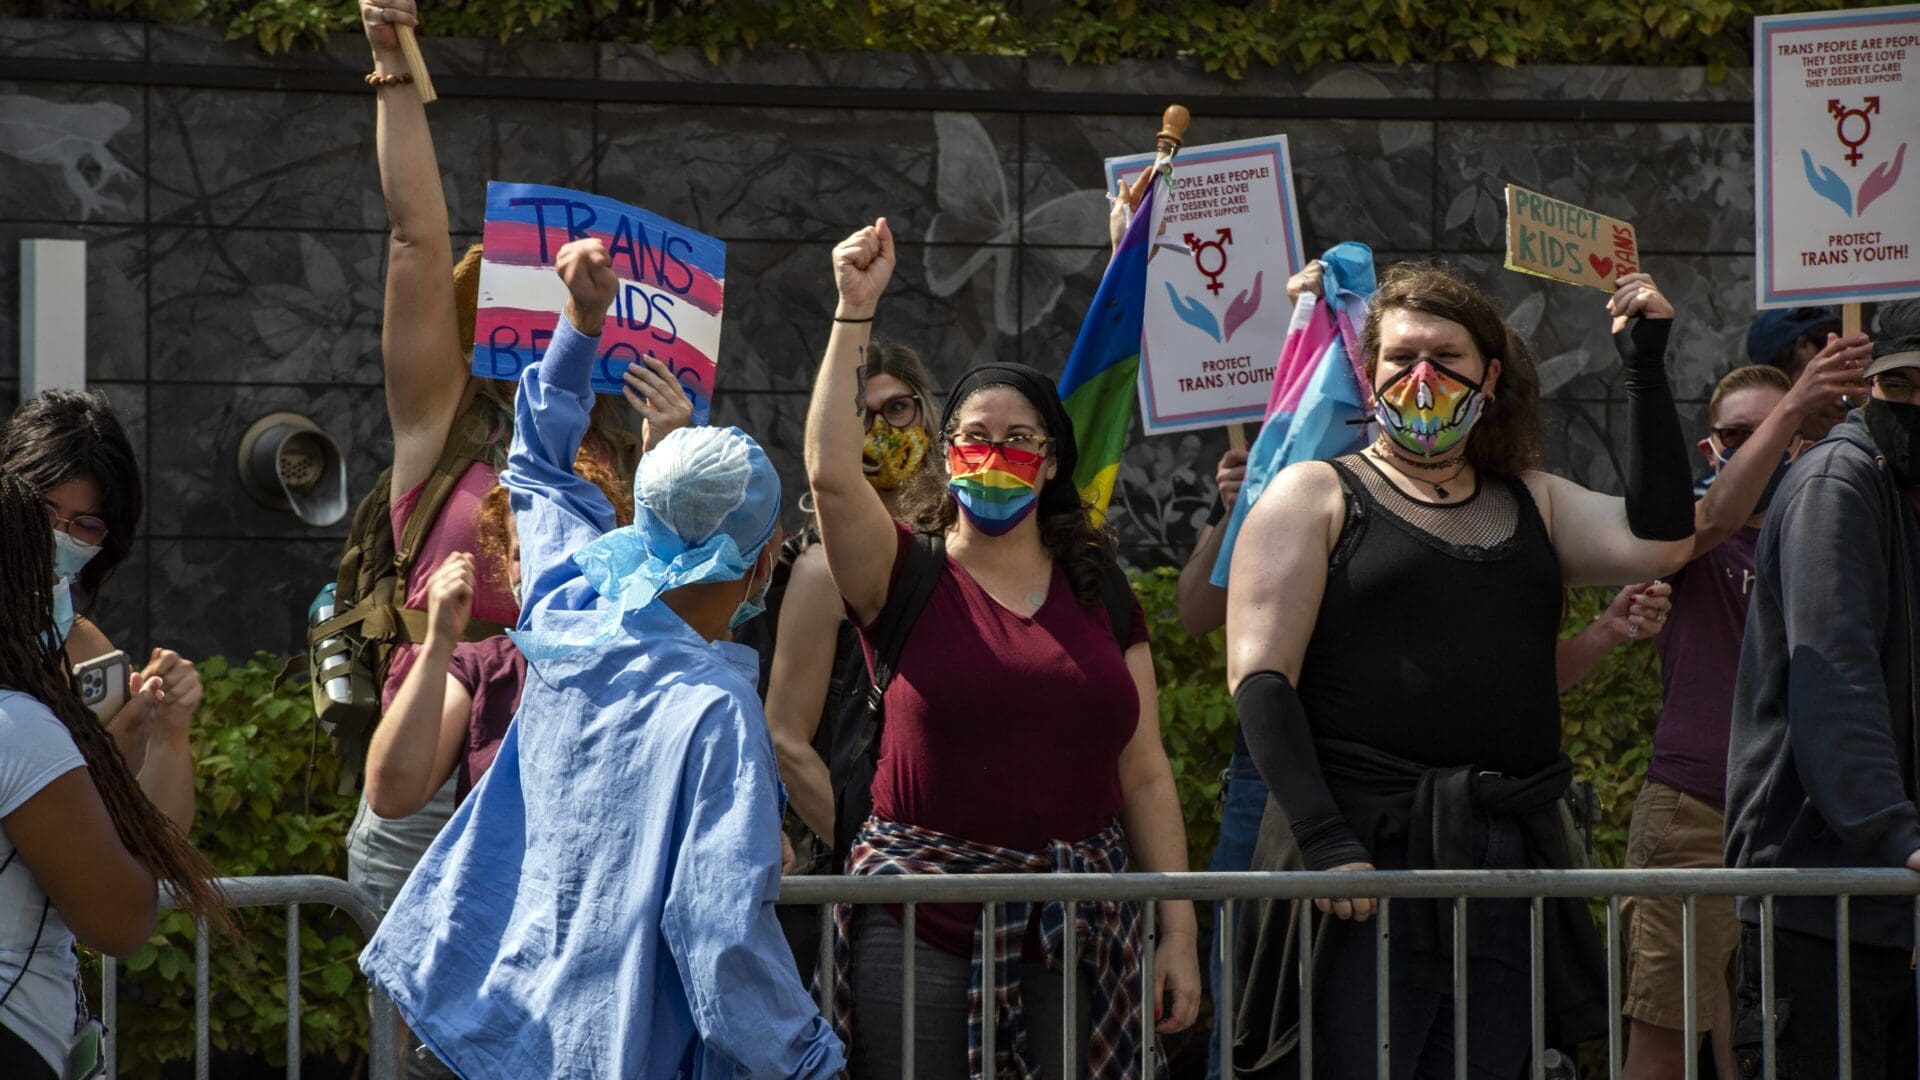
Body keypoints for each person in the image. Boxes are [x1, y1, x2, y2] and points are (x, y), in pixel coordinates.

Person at [360, 237, 842, 1079]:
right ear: (763, 564)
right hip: (585, 1050)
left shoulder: (569, 604)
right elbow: (720, 939)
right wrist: (807, 1059)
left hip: (468, 1020)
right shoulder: (715, 714)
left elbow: (537, 468)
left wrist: (581, 321)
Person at [1226, 264, 1696, 1077]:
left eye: (1445, 357)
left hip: (1504, 859)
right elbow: (1261, 681)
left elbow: (1662, 540)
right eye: (1400, 358)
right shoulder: (1312, 495)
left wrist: (1645, 367)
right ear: (1368, 378)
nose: (1421, 378)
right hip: (1365, 863)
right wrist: (1327, 841)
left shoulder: (1534, 501)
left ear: (1491, 376)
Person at [346, 0, 689, 1020]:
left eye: (586, 302)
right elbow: (415, 239)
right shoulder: (445, 429)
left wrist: (669, 463)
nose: (566, 318)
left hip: (577, 793)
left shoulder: (616, 470)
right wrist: (394, 72)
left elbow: (674, 617)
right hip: (433, 778)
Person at [805, 217, 1200, 1078]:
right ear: (946, 458)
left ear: (1053, 463)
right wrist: (853, 311)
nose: (997, 456)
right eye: (976, 438)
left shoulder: (1100, 586)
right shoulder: (899, 575)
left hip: (1076, 926)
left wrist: (1178, 930)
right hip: (919, 923)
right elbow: (833, 475)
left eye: (1021, 442)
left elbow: (1145, 772)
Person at [1619, 338, 1869, 1080]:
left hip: (1802, 817)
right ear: (1711, 447)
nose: (1765, 446)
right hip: (1696, 811)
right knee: (1666, 1041)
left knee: (1771, 1049)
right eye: (1738, 434)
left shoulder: (1836, 529)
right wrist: (1795, 402)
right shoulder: (1687, 532)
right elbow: (1712, 520)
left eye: (1783, 433)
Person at [1725, 333, 1920, 1076]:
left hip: (1883, 900)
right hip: (1820, 898)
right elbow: (1834, 674)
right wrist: (1895, 833)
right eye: (1898, 387)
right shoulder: (1838, 484)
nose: (1913, 407)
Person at [0, 469, 228, 1079]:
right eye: (40, 563)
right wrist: (106, 768)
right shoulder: (19, 729)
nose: (56, 583)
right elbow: (121, 919)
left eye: (86, 524)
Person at [359, 453, 631, 821]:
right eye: (524, 555)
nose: (544, 570)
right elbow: (391, 796)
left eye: (566, 552)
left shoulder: (645, 664)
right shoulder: (486, 667)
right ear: (504, 564)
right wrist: (439, 644)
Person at [2, 389, 200, 831]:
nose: (56, 535)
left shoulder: (87, 653)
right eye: (41, 509)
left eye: (86, 525)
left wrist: (168, 729)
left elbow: (159, 838)